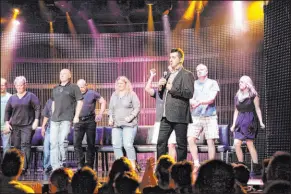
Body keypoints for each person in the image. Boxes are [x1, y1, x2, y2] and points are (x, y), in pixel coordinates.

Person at [157, 48, 195, 162]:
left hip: (180, 115)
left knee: (181, 145)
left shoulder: (187, 74)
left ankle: (181, 169)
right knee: (161, 142)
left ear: (181, 59)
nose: (170, 60)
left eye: (173, 57)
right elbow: (162, 94)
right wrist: (160, 87)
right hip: (166, 115)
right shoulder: (168, 74)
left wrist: (172, 89)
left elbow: (189, 93)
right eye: (170, 57)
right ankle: (161, 169)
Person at [4, 76, 41, 174]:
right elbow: (7, 111)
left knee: (25, 145)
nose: (20, 87)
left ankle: (24, 168)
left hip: (27, 126)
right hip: (15, 126)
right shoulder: (12, 98)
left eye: (22, 85)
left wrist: (36, 120)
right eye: (18, 85)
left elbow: (37, 107)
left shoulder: (31, 96)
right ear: (15, 86)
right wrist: (7, 123)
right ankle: (17, 166)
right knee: (16, 146)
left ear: (25, 85)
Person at [230, 75, 265, 175]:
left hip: (250, 121)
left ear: (247, 83)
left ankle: (256, 166)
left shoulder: (253, 95)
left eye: (242, 82)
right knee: (236, 143)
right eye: (239, 82)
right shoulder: (237, 96)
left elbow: (258, 109)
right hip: (240, 121)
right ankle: (242, 166)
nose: (240, 83)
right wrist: (233, 124)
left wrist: (261, 121)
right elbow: (236, 111)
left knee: (250, 144)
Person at [187, 64, 220, 169]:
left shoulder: (212, 83)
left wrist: (200, 102)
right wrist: (192, 101)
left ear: (206, 71)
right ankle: (196, 162)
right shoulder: (193, 84)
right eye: (197, 70)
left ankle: (210, 165)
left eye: (201, 70)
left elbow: (212, 99)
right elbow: (189, 97)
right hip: (196, 116)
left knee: (210, 140)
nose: (199, 71)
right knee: (190, 138)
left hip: (210, 116)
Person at [50, 69, 83, 170]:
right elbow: (53, 102)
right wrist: (53, 113)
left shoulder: (74, 87)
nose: (62, 75)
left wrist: (76, 116)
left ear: (69, 76)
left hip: (66, 118)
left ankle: (62, 161)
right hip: (55, 119)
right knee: (53, 143)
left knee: (62, 140)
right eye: (60, 73)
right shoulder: (55, 88)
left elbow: (80, 102)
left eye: (64, 73)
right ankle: (55, 166)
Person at [108, 76, 140, 170]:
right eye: (118, 84)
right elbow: (111, 109)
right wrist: (110, 117)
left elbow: (137, 107)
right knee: (116, 145)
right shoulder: (114, 94)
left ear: (126, 84)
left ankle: (133, 167)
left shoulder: (131, 94)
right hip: (117, 124)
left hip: (129, 125)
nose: (119, 85)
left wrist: (130, 117)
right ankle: (121, 167)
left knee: (127, 145)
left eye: (121, 83)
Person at [145, 67, 177, 160]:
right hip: (159, 121)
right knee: (160, 145)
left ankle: (171, 165)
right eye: (161, 81)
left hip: (172, 121)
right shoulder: (157, 93)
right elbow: (147, 88)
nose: (162, 83)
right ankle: (160, 165)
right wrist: (151, 76)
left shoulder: (172, 93)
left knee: (171, 145)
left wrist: (172, 72)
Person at [74, 79, 106, 169]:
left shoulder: (92, 93)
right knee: (77, 144)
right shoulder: (74, 94)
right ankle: (80, 164)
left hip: (90, 121)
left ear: (86, 85)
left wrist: (100, 114)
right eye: (79, 87)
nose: (80, 89)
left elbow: (103, 101)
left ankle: (89, 165)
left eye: (82, 87)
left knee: (90, 144)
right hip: (78, 121)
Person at [1, 78, 12, 156]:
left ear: (6, 86)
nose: (1, 87)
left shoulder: (10, 97)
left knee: (6, 148)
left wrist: (8, 124)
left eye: (2, 85)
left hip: (6, 127)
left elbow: (14, 112)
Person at [41, 98, 53, 173]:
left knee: (54, 148)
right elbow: (46, 115)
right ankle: (46, 166)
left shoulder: (64, 99)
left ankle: (52, 166)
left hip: (59, 128)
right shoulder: (50, 101)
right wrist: (43, 127)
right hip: (49, 127)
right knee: (46, 147)